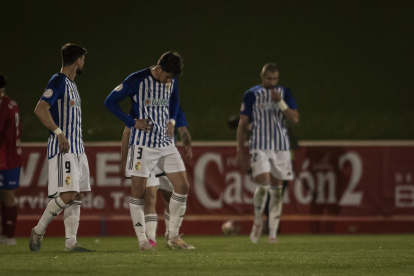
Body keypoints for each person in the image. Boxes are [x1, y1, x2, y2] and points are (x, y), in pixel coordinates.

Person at [104, 52, 194, 250]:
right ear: (159, 68)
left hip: (166, 143)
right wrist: (131, 122)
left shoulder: (171, 80)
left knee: (183, 186)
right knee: (139, 193)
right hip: (143, 145)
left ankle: (173, 237)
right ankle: (143, 240)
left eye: (173, 78)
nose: (169, 80)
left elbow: (175, 100)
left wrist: (171, 120)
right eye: (167, 76)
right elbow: (109, 102)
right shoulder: (136, 80)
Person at [29, 43, 95, 253]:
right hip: (64, 148)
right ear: (77, 60)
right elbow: (40, 109)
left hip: (78, 149)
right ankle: (38, 231)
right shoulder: (58, 81)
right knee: (68, 193)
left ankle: (71, 243)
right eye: (83, 59)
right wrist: (58, 133)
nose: (83, 62)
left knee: (77, 196)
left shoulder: (72, 85)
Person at [236, 63, 299, 244]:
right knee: (263, 184)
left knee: (277, 191)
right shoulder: (252, 94)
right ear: (262, 77)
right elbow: (242, 124)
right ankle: (257, 221)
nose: (272, 82)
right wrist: (240, 150)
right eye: (269, 79)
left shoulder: (284, 93)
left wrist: (280, 102)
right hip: (259, 146)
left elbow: (294, 118)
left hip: (281, 147)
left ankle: (272, 234)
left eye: (275, 79)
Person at [120, 105, 193, 247]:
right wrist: (124, 159)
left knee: (170, 196)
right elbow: (127, 132)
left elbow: (183, 130)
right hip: (146, 154)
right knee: (149, 196)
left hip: (166, 156)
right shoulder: (141, 106)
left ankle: (170, 235)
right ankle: (150, 238)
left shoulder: (175, 109)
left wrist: (187, 145)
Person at [0, 74, 21, 245]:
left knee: (7, 195)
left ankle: (9, 236)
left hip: (5, 157)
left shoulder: (2, 106)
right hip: (13, 155)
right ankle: (5, 234)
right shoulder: (11, 103)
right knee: (5, 195)